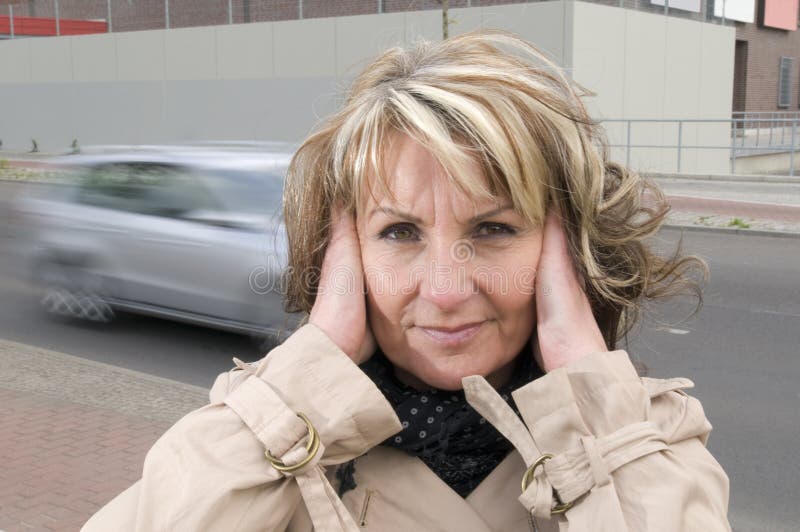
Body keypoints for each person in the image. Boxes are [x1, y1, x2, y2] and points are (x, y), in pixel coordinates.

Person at [82, 30, 730, 531]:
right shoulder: (277, 454)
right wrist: (306, 380)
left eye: (494, 229)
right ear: (344, 253)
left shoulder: (650, 444)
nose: (445, 290)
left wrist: (594, 405)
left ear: (566, 247)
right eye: (400, 233)